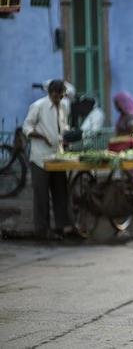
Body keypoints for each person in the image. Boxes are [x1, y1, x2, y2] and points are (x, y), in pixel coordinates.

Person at [22, 80, 72, 240]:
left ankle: (61, 226)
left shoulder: (63, 106)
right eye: (57, 97)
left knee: (60, 192)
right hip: (40, 158)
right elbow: (27, 128)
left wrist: (67, 136)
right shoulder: (38, 106)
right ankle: (42, 231)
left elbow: (63, 127)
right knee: (41, 196)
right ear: (51, 93)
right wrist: (42, 136)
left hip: (57, 156)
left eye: (62, 96)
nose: (59, 100)